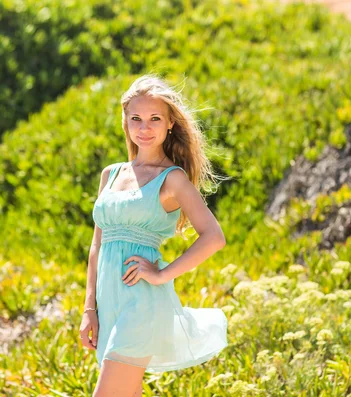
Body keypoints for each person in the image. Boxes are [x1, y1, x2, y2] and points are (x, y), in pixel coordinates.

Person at [79, 74, 229, 397]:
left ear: (170, 123)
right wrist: (89, 308)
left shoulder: (172, 179)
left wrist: (162, 275)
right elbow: (97, 246)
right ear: (125, 121)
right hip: (109, 305)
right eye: (136, 118)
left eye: (154, 119)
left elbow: (213, 236)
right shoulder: (111, 174)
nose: (144, 128)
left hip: (142, 305)